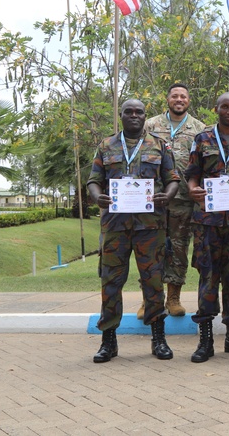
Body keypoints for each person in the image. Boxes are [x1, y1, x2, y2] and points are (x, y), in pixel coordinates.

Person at [88, 99, 180, 363]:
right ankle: (108, 342)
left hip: (150, 227)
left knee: (153, 282)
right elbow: (94, 180)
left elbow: (173, 178)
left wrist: (167, 196)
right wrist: (98, 197)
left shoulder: (159, 145)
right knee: (111, 283)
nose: (134, 116)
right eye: (128, 112)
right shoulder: (106, 145)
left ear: (145, 116)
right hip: (115, 226)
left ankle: (158, 339)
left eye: (139, 112)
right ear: (121, 115)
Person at [184, 92, 229, 362]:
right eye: (224, 106)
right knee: (208, 277)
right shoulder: (202, 138)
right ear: (216, 109)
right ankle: (205, 340)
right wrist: (193, 191)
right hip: (208, 222)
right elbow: (191, 174)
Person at [142, 83, 206, 319]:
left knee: (178, 248)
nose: (179, 99)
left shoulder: (199, 128)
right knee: (151, 248)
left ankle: (173, 298)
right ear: (167, 99)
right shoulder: (150, 125)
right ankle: (148, 298)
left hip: (183, 199)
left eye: (183, 96)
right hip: (153, 198)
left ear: (189, 100)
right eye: (175, 96)